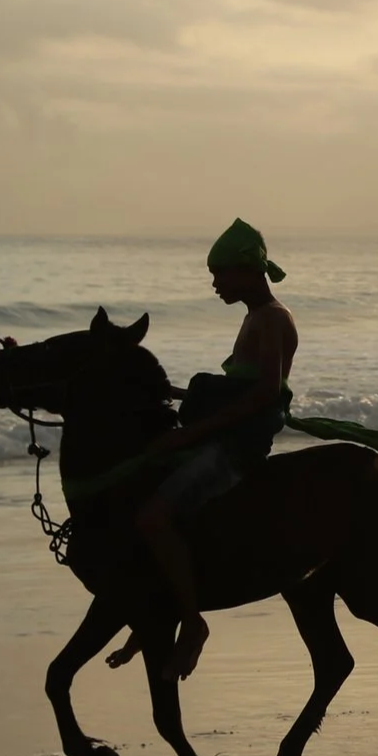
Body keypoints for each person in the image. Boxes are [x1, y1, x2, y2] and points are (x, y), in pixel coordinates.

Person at [135, 219, 299, 680]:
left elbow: (265, 393)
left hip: (235, 449)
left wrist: (190, 432)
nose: (214, 284)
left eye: (221, 274)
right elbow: (241, 389)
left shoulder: (271, 318)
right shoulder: (256, 316)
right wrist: (180, 395)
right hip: (226, 436)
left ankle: (192, 622)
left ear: (248, 271)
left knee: (153, 517)